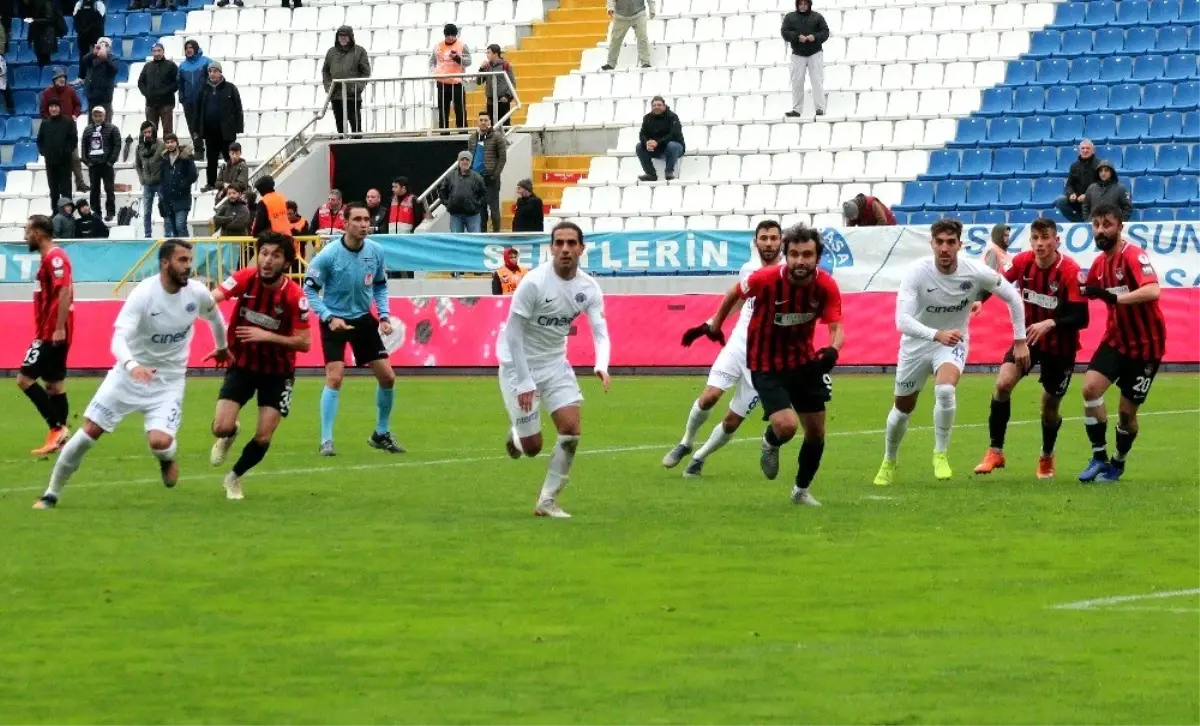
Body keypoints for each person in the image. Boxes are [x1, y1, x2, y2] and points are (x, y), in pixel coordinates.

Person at [33, 239, 231, 509]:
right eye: (182, 260)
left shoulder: (196, 293)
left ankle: (166, 458)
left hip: (167, 381)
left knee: (160, 442)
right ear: (164, 263)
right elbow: (118, 339)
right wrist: (132, 366)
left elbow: (216, 318)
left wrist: (222, 347)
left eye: (189, 260)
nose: (188, 266)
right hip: (128, 376)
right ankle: (51, 493)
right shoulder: (144, 294)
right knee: (88, 432)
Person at [680, 226, 840, 505]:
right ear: (785, 255)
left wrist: (832, 351)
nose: (800, 261)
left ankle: (801, 491)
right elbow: (733, 294)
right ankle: (771, 440)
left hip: (804, 363)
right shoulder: (764, 279)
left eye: (807, 255)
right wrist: (715, 324)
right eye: (794, 254)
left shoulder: (825, 285)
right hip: (766, 364)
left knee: (816, 433)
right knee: (787, 427)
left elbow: (838, 327)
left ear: (817, 257)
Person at [873, 218, 1029, 486]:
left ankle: (940, 453)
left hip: (953, 342)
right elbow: (902, 321)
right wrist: (936, 335)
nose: (945, 248)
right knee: (902, 409)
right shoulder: (917, 272)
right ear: (932, 244)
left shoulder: (974, 271)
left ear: (960, 244)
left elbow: (1013, 297)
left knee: (945, 390)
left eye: (950, 242)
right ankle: (889, 459)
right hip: (917, 344)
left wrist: (1020, 340)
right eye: (940, 243)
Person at [497, 221, 611, 518]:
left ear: (581, 249)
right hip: (518, 365)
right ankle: (518, 435)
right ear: (551, 248)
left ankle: (547, 501)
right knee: (533, 447)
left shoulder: (588, 287)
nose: (565, 249)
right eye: (559, 243)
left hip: (555, 363)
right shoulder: (534, 283)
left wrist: (601, 364)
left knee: (571, 430)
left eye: (571, 243)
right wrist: (523, 381)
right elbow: (512, 333)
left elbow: (600, 330)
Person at [663, 220, 782, 477]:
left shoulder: (788, 273)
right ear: (756, 242)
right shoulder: (748, 269)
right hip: (738, 346)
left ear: (781, 241)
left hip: (764, 360)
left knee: (732, 421)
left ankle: (699, 457)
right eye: (764, 238)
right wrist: (709, 324)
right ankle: (685, 441)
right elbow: (739, 301)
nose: (769, 243)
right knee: (709, 396)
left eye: (774, 238)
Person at [973, 218, 1089, 479]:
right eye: (1035, 238)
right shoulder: (1023, 262)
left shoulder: (1070, 270)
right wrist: (980, 300)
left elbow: (1083, 318)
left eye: (1045, 238)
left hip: (1061, 347)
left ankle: (1046, 456)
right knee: (1003, 384)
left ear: (1056, 241)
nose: (1039, 244)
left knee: (1049, 407)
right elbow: (996, 283)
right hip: (1028, 340)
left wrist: (1051, 322)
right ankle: (995, 451)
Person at [209, 231, 311, 500]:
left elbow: (304, 343)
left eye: (275, 256)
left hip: (278, 372)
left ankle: (234, 478)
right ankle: (229, 435)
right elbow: (213, 299)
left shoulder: (295, 296)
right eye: (263, 253)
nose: (267, 260)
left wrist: (268, 336)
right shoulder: (244, 278)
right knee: (220, 427)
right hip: (242, 364)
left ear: (286, 263)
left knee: (264, 436)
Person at [302, 203, 404, 456]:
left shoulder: (376, 251)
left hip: (362, 320)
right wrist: (327, 317)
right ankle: (326, 440)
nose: (363, 224)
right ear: (344, 224)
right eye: (357, 219)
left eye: (366, 219)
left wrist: (383, 316)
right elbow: (309, 291)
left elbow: (380, 285)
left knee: (388, 377)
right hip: (334, 319)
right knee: (335, 378)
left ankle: (381, 433)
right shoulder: (328, 255)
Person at [1077, 203, 1168, 484]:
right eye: (1096, 225)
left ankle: (1118, 461)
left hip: (1146, 346)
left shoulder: (1133, 256)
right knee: (1090, 388)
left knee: (1127, 415)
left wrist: (1113, 298)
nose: (1101, 230)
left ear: (1120, 227)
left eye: (1107, 224)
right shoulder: (1100, 263)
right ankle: (1099, 456)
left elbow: (1153, 290)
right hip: (1116, 340)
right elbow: (1085, 288)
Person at [19, 215, 74, 457]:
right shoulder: (48, 259)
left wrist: (59, 326)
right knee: (54, 386)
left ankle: (56, 428)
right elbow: (68, 288)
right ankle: (61, 441)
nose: (25, 236)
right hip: (50, 329)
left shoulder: (56, 257)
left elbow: (65, 290)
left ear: (39, 233)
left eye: (28, 231)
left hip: (52, 331)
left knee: (24, 379)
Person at [196, 62, 244, 192]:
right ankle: (211, 183)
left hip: (226, 131)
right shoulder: (203, 89)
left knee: (230, 159)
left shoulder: (230, 88)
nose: (212, 73)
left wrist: (239, 127)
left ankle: (235, 184)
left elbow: (238, 108)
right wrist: (198, 129)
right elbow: (198, 110)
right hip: (210, 131)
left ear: (220, 72)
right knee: (211, 160)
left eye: (215, 71)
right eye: (210, 71)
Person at [41, 67, 88, 192]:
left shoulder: (71, 90)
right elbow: (43, 111)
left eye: (63, 77)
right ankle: (58, 187)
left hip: (70, 130)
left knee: (75, 158)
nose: (62, 79)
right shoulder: (47, 93)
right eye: (59, 77)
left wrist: (75, 114)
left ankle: (80, 183)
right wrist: (52, 121)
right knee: (57, 161)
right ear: (54, 80)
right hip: (54, 133)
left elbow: (78, 105)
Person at [781, 0, 830, 118]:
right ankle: (797, 110)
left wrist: (815, 37)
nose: (803, 6)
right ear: (797, 5)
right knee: (797, 82)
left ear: (809, 5)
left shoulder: (817, 17)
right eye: (800, 4)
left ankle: (820, 108)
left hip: (815, 52)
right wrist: (797, 37)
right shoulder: (790, 17)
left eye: (805, 4)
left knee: (817, 81)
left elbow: (825, 32)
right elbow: (784, 32)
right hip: (798, 53)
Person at [322, 25, 370, 135]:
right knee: (339, 123)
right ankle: (341, 143)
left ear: (351, 37)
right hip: (336, 95)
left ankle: (357, 146)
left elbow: (365, 72)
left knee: (355, 123)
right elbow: (325, 71)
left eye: (345, 36)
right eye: (340, 36)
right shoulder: (331, 52)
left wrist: (356, 88)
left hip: (352, 96)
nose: (342, 38)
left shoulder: (359, 51)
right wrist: (329, 87)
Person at [467, 111, 507, 233]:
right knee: (481, 210)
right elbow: (470, 157)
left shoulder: (497, 137)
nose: (483, 122)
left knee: (494, 209)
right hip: (476, 179)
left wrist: (495, 175)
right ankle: (482, 234)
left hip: (491, 179)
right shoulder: (472, 138)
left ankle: (496, 234)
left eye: (486, 120)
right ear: (477, 122)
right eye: (481, 120)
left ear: (490, 122)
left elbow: (502, 158)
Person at [37, 98, 77, 214]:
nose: (53, 109)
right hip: (50, 162)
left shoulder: (68, 122)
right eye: (51, 106)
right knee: (53, 189)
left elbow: (73, 140)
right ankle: (55, 212)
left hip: (64, 162)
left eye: (55, 106)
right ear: (48, 108)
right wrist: (44, 152)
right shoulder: (45, 123)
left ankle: (68, 212)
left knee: (66, 189)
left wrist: (66, 151)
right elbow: (40, 140)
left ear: (59, 108)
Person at [80, 106, 120, 221]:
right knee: (94, 190)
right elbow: (84, 146)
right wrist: (87, 162)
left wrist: (111, 161)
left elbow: (117, 145)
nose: (98, 118)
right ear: (92, 116)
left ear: (105, 116)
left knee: (109, 189)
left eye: (100, 115)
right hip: (94, 165)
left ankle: (110, 212)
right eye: (95, 116)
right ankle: (96, 212)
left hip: (106, 165)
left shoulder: (113, 129)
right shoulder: (88, 130)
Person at [635, 96, 685, 182]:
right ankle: (650, 174)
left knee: (672, 145)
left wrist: (658, 142)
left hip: (675, 148)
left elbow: (674, 135)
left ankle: (669, 171)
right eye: (654, 105)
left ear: (664, 105)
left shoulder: (673, 117)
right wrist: (647, 142)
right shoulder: (647, 118)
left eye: (659, 105)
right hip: (656, 148)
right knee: (639, 146)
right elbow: (642, 134)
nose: (656, 107)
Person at [430, 24, 470, 129]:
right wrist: (434, 71)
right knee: (443, 109)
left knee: (459, 108)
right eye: (448, 35)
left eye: (453, 35)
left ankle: (462, 130)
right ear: (445, 35)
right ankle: (443, 131)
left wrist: (457, 58)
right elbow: (432, 61)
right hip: (442, 82)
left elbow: (468, 62)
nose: (450, 37)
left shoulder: (462, 46)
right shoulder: (438, 46)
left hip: (456, 82)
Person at [159, 133, 198, 238]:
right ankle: (179, 252)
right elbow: (161, 178)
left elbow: (193, 175)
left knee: (180, 226)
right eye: (167, 142)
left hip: (182, 197)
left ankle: (188, 250)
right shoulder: (164, 158)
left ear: (177, 142)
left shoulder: (185, 157)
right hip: (168, 199)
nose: (170, 144)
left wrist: (182, 185)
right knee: (174, 230)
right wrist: (162, 193)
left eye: (172, 142)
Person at [438, 151, 487, 233]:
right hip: (455, 215)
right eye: (462, 159)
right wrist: (448, 204)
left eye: (467, 160)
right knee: (456, 241)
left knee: (475, 240)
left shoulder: (477, 177)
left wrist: (477, 205)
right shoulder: (450, 176)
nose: (464, 162)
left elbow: (484, 194)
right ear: (458, 161)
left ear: (470, 162)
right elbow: (442, 192)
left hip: (473, 215)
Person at [177, 39, 211, 155]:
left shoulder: (206, 61)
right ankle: (199, 150)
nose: (188, 50)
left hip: (204, 100)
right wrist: (182, 98)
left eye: (191, 47)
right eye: (186, 48)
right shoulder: (182, 66)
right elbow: (180, 84)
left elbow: (215, 78)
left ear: (196, 48)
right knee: (193, 126)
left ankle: (216, 149)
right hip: (189, 102)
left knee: (209, 124)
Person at [1055, 139, 1100, 223]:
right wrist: (1071, 194)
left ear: (1093, 150)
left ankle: (1090, 221)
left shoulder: (1099, 165)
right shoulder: (1074, 166)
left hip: (1094, 200)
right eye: (1083, 148)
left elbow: (1102, 185)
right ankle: (1079, 222)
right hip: (1078, 201)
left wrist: (1087, 195)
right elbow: (1069, 185)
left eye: (1088, 148)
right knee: (1060, 201)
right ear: (1079, 151)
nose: (1085, 150)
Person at [601, 0, 654, 70]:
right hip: (620, 16)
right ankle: (611, 63)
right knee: (615, 40)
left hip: (639, 14)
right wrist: (610, 8)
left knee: (642, 37)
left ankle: (645, 62)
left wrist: (652, 9)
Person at [138, 42, 178, 136]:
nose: (157, 53)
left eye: (159, 50)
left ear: (163, 51)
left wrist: (166, 92)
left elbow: (177, 82)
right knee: (150, 130)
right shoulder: (148, 66)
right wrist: (146, 93)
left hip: (166, 103)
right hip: (150, 103)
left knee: (167, 131)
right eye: (154, 51)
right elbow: (140, 82)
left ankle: (169, 150)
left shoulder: (171, 65)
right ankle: (151, 150)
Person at [134, 121, 165, 238]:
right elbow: (137, 164)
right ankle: (147, 234)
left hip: (160, 183)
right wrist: (142, 178)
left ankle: (168, 233)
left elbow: (166, 163)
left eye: (149, 132)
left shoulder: (161, 145)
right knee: (147, 211)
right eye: (145, 132)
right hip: (147, 183)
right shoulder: (139, 147)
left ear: (154, 132)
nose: (147, 134)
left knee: (164, 209)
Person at [79, 37, 117, 121]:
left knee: (106, 124)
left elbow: (114, 70)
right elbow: (84, 61)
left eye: (106, 45)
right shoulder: (92, 58)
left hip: (105, 98)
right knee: (92, 124)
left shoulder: (113, 58)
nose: (103, 47)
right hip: (92, 96)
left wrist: (105, 59)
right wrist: (94, 53)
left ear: (109, 48)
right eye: (101, 44)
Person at [478, 44, 515, 126]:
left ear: (495, 54)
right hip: (491, 100)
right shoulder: (487, 66)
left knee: (504, 123)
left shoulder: (505, 65)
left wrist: (507, 96)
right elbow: (479, 81)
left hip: (502, 100)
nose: (487, 55)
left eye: (489, 53)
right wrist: (481, 69)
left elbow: (512, 82)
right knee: (491, 124)